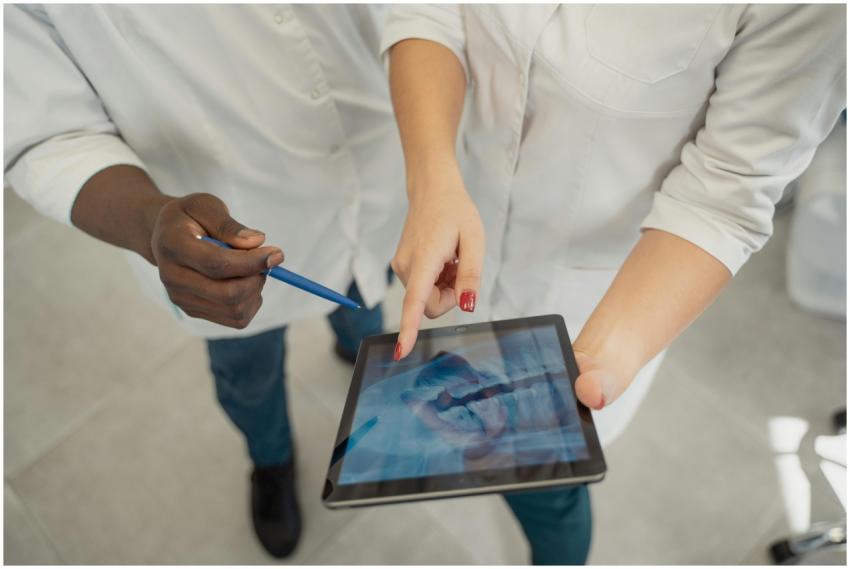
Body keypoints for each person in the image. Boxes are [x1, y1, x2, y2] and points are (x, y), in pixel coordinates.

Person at [381, 4, 845, 565]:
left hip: (603, 302)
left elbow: (727, 191)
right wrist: (433, 178)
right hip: (461, 230)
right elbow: (427, 10)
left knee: (546, 489)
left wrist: (600, 359)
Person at [5, 4, 405, 558]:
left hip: (380, 170)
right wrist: (150, 223)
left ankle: (355, 349)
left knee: (366, 302)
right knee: (250, 375)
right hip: (221, 234)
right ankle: (271, 461)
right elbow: (44, 133)